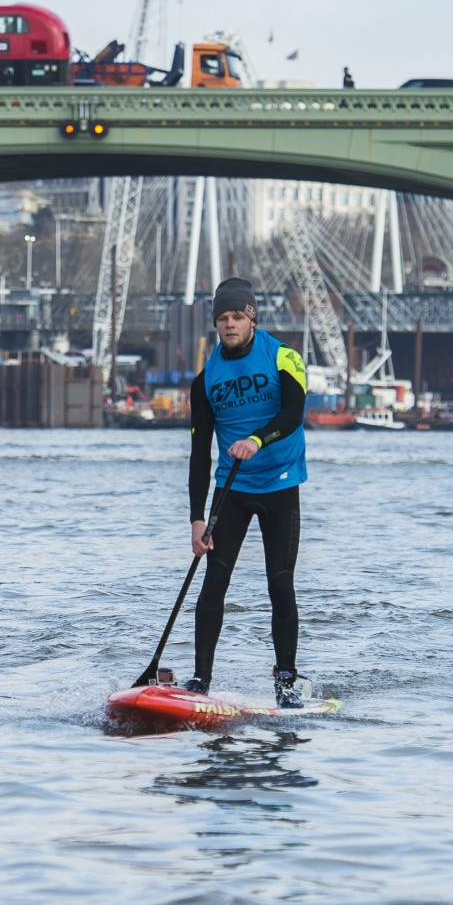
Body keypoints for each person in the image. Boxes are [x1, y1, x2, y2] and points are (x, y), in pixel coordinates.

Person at [185, 277, 311, 706]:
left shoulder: (284, 358)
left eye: (237, 316)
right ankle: (200, 681)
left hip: (280, 484)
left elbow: (294, 413)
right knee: (214, 582)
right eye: (222, 318)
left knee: (280, 584)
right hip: (231, 489)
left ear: (252, 317)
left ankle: (287, 682)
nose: (229, 325)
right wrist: (196, 519)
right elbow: (199, 453)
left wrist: (257, 439)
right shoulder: (204, 381)